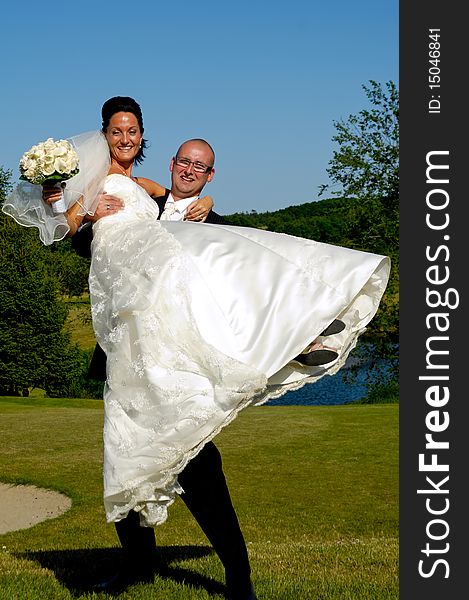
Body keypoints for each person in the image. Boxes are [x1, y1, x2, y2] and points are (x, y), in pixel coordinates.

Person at [2, 96, 391, 600]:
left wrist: (202, 208)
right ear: (104, 135)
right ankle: (138, 564)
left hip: (179, 354)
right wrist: (66, 198)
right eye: (117, 131)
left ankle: (239, 577)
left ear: (143, 138)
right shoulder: (96, 188)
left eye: (133, 130)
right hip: (129, 349)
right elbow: (63, 226)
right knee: (127, 448)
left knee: (198, 463)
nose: (125, 138)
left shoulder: (158, 194)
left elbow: (208, 238)